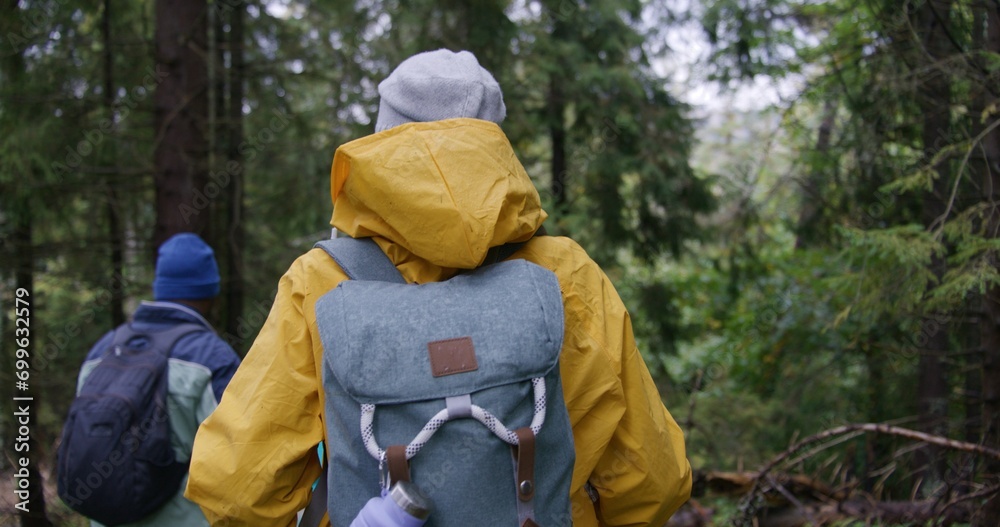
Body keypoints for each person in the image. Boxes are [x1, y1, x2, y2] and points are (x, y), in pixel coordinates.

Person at [186, 49, 692, 526]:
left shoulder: (320, 282)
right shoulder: (566, 274)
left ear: (382, 137)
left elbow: (237, 490)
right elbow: (652, 480)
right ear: (495, 142)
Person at [74, 232, 241, 526]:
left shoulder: (102, 350)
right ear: (212, 293)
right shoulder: (212, 357)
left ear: (160, 286)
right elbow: (240, 459)